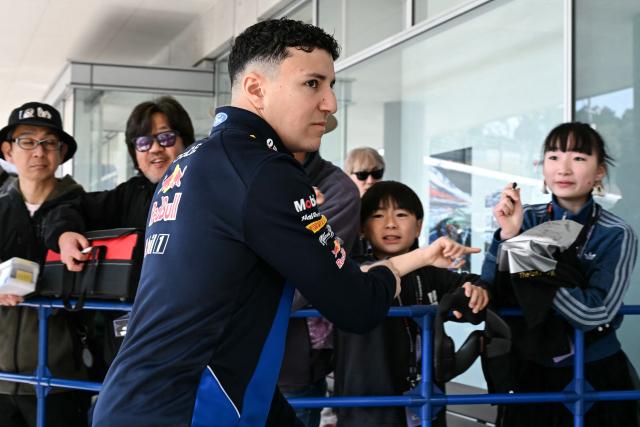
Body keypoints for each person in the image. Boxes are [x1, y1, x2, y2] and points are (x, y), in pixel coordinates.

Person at [91, 19, 479, 427]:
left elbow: (222, 306)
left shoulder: (191, 163)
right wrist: (396, 270)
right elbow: (356, 304)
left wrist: (411, 260)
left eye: (330, 85)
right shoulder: (263, 170)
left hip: (148, 395)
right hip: (187, 407)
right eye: (312, 84)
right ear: (257, 89)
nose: (329, 103)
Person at [481, 122, 639, 426]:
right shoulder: (523, 218)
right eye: (553, 157)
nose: (563, 168)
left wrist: (526, 263)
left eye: (578, 158)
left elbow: (594, 313)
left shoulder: (616, 233)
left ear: (599, 172)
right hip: (528, 368)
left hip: (593, 370)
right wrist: (510, 234)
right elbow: (491, 286)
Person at [44, 96, 195, 366]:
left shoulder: (208, 190)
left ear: (185, 141)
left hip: (190, 337)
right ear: (135, 154)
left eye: (166, 138)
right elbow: (66, 209)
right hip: (130, 340)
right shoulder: (129, 195)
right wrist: (64, 235)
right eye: (143, 143)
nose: (155, 149)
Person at [335, 181, 489, 427]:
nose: (390, 224)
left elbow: (473, 282)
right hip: (367, 408)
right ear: (362, 228)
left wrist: (478, 289)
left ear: (418, 226)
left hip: (426, 405)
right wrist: (424, 255)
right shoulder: (351, 266)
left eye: (401, 215)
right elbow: (360, 279)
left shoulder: (430, 272)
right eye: (377, 215)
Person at [0, 102, 89, 426]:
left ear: (61, 151)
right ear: (8, 151)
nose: (39, 151)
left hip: (61, 379)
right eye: (27, 140)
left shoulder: (83, 206)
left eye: (48, 142)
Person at [279, 116, 361, 427]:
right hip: (220, 359)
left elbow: (306, 276)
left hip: (292, 366)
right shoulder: (241, 174)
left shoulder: (338, 190)